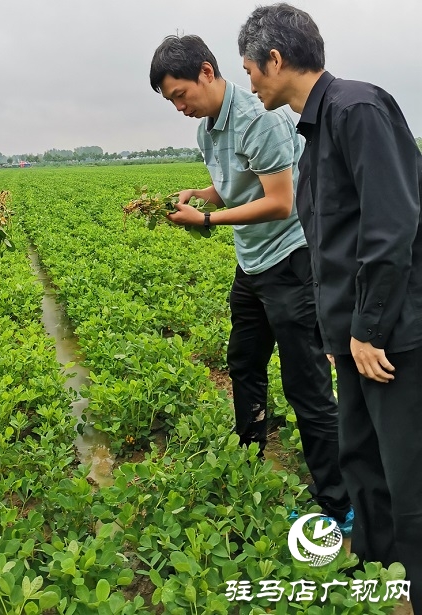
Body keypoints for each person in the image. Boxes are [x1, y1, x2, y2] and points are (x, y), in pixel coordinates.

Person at [238, 4, 422, 610]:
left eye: (251, 69)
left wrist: (368, 328)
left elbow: (390, 229)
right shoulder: (312, 127)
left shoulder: (356, 109)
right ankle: (375, 576)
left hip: (391, 337)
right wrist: (340, 334)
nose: (252, 84)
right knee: (362, 462)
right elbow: (333, 241)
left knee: (408, 480)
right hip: (351, 340)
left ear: (275, 58)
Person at [149, 35, 353, 532]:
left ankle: (339, 503)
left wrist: (206, 222)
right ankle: (248, 465)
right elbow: (231, 186)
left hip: (289, 261)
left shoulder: (259, 118)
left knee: (305, 382)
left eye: (180, 94)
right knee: (243, 361)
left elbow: (280, 200)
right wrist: (198, 195)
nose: (179, 106)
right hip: (252, 264)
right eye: (169, 100)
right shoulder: (206, 130)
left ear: (205, 71)